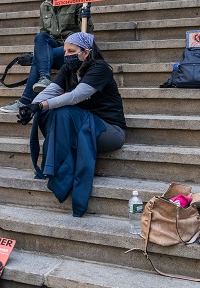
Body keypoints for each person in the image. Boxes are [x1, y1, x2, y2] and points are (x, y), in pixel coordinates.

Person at [17, 32, 126, 217]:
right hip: (83, 124)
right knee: (49, 113)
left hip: (109, 131)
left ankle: (61, 171)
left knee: (62, 111)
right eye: (65, 50)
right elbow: (52, 90)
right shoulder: (68, 68)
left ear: (86, 52)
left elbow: (75, 96)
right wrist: (31, 106)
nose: (66, 54)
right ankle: (55, 167)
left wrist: (40, 105)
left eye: (72, 51)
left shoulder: (100, 69)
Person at [0, 0, 90, 113]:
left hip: (70, 49)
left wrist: (86, 17)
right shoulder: (45, 6)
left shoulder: (76, 1)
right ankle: (45, 78)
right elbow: (44, 34)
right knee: (40, 37)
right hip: (52, 48)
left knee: (38, 58)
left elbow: (86, 33)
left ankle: (25, 100)